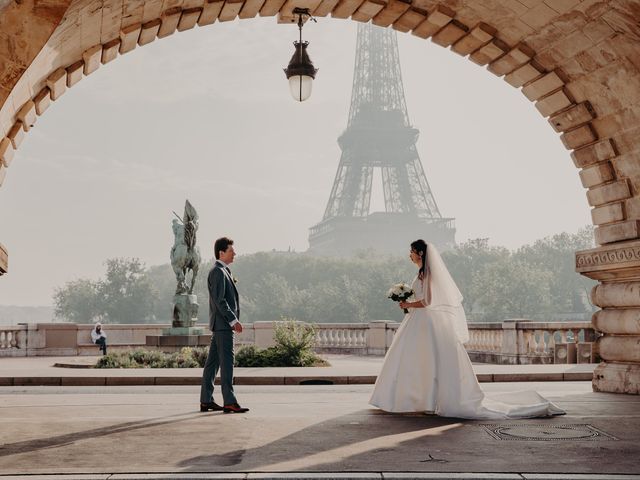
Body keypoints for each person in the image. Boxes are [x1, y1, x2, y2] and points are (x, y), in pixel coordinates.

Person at [370, 239, 565, 419]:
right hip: (422, 322)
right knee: (422, 360)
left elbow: (429, 301)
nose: (409, 255)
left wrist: (408, 305)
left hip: (424, 320)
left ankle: (419, 399)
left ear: (420, 253)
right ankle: (423, 399)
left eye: (411, 251)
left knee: (421, 359)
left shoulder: (426, 274)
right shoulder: (422, 273)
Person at [200, 236, 249, 414]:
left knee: (212, 364)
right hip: (223, 325)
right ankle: (229, 401)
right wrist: (233, 320)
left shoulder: (221, 271)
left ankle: (206, 399)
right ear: (221, 252)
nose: (234, 253)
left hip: (219, 325)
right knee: (227, 363)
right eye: (231, 250)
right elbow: (220, 301)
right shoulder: (218, 272)